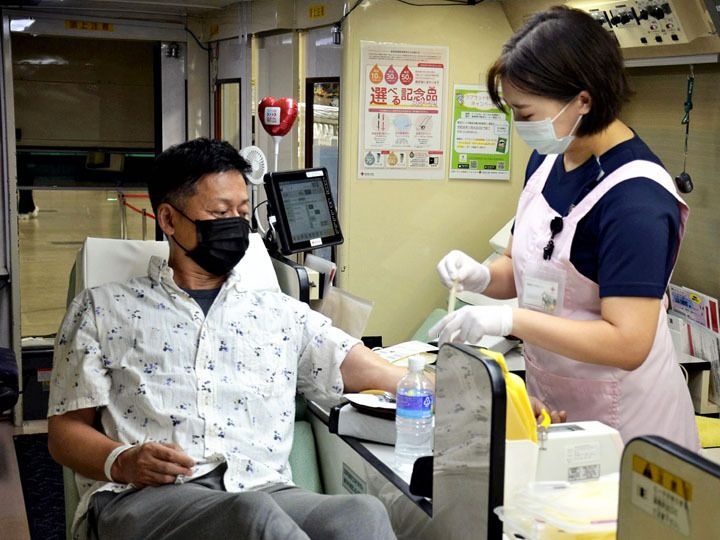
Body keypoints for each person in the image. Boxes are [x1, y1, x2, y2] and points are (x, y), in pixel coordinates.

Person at [48, 138, 406, 540]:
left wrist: (442, 384)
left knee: (361, 513)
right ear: (168, 219)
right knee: (252, 516)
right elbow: (64, 432)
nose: (235, 224)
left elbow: (365, 366)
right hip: (147, 497)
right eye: (220, 213)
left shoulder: (278, 313)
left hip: (263, 488)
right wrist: (122, 460)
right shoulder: (102, 309)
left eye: (241, 212)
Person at [430, 6, 699, 450]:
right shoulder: (548, 159)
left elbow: (628, 342)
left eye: (526, 113)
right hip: (555, 404)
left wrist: (510, 319)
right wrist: (480, 276)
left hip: (626, 423)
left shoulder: (637, 200)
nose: (520, 126)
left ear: (583, 101)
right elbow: (520, 266)